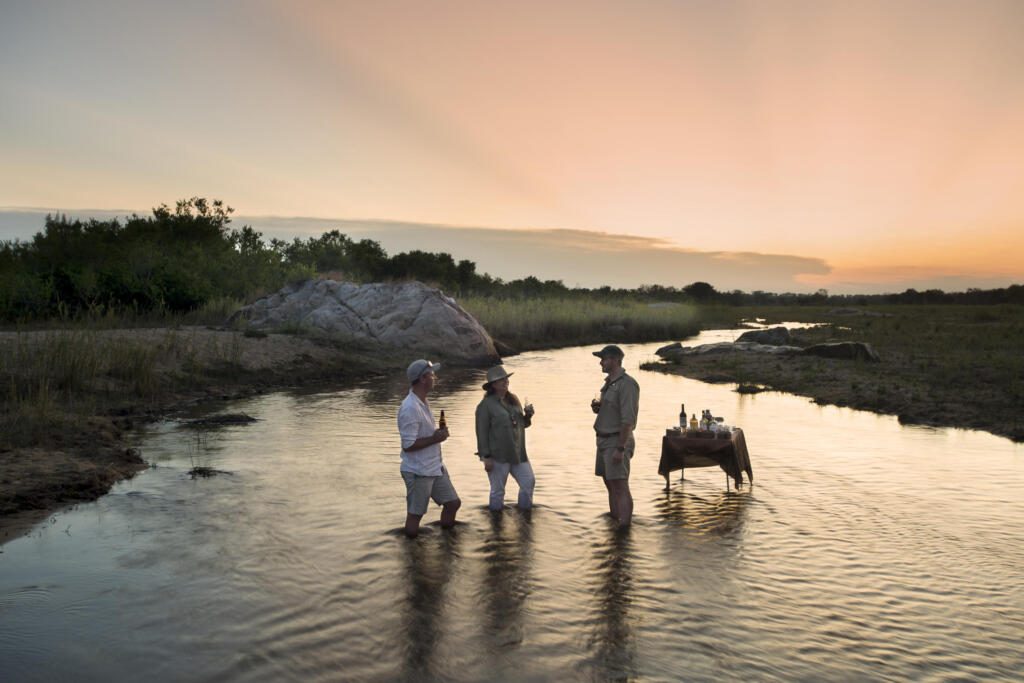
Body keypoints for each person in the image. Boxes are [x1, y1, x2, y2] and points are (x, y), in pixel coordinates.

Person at [397, 359, 461, 538]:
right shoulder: (410, 408)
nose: (435, 378)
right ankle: (413, 555)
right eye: (432, 374)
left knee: (453, 503)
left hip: (434, 467)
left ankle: (448, 544)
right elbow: (408, 445)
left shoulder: (422, 402)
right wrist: (435, 438)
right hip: (418, 471)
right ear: (423, 378)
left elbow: (422, 435)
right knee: (415, 515)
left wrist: (437, 434)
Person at [474, 365, 536, 511]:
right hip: (497, 455)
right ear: (493, 385)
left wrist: (528, 416)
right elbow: (481, 433)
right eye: (501, 380)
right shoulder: (485, 406)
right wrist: (486, 457)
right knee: (498, 491)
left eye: (506, 379)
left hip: (518, 453)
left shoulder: (514, 400)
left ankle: (524, 515)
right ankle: (496, 522)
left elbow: (522, 425)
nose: (505, 382)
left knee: (528, 482)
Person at [590, 345, 639, 528]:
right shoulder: (609, 383)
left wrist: (620, 448)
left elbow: (628, 420)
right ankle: (615, 523)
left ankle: (624, 529)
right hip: (603, 440)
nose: (600, 362)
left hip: (617, 441)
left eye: (604, 358)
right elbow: (614, 411)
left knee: (620, 485)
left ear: (616, 360)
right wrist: (599, 409)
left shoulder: (627, 384)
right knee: (610, 484)